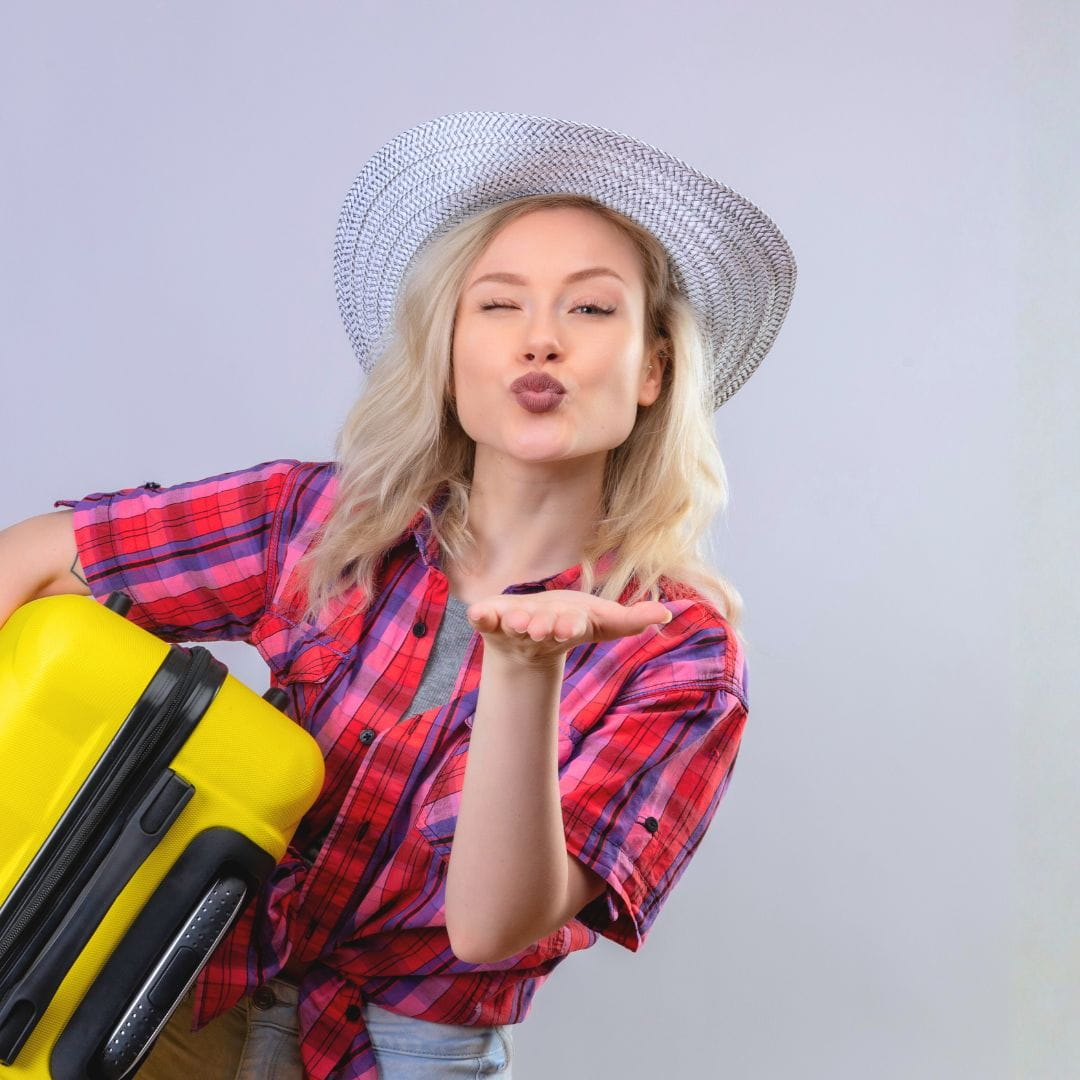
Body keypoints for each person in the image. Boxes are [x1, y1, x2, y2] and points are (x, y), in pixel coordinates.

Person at [6, 110, 796, 1079]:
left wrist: (522, 673)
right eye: (498, 306)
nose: (541, 340)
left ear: (651, 371)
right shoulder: (323, 521)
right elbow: (38, 561)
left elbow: (490, 925)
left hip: (399, 1057)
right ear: (449, 351)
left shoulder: (684, 655)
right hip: (163, 1006)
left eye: (592, 310)